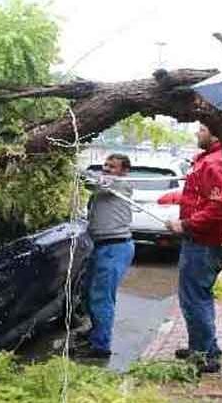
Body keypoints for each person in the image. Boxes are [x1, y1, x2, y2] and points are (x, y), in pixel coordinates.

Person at [161, 123, 222, 373]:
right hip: (208, 239)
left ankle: (204, 356)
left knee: (194, 297)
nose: (197, 133)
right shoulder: (212, 159)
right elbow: (204, 198)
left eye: (202, 128)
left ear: (216, 132)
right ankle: (202, 347)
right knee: (198, 295)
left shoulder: (214, 162)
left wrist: (185, 224)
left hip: (206, 241)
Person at [74, 154, 135, 359]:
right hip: (100, 247)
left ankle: (101, 346)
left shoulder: (121, 184)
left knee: (101, 298)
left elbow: (91, 182)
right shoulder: (104, 186)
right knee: (90, 294)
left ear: (124, 170)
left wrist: (72, 169)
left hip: (114, 248)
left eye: (113, 166)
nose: (107, 168)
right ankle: (95, 333)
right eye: (105, 165)